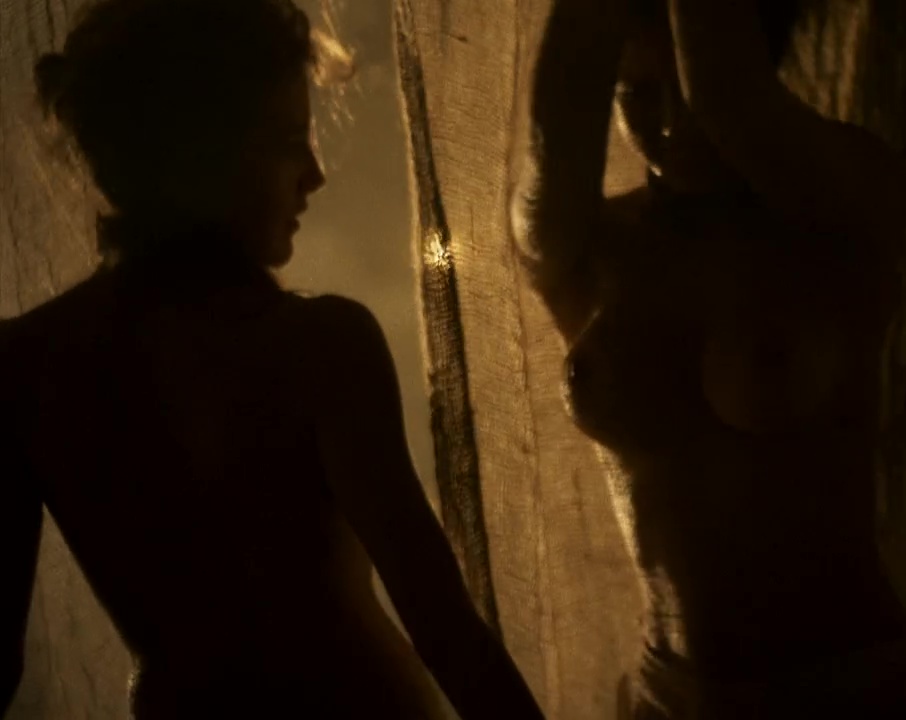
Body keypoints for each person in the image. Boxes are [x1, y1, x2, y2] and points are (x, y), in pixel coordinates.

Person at [0, 1, 543, 718]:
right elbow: (444, 627)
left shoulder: (25, 365)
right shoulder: (317, 346)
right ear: (202, 154)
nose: (314, 175)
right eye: (289, 141)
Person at [513, 0, 906, 716]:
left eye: (677, 86)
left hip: (856, 690)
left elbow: (724, 94)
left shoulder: (844, 203)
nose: (669, 124)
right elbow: (561, 109)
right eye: (637, 94)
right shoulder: (596, 248)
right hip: (674, 694)